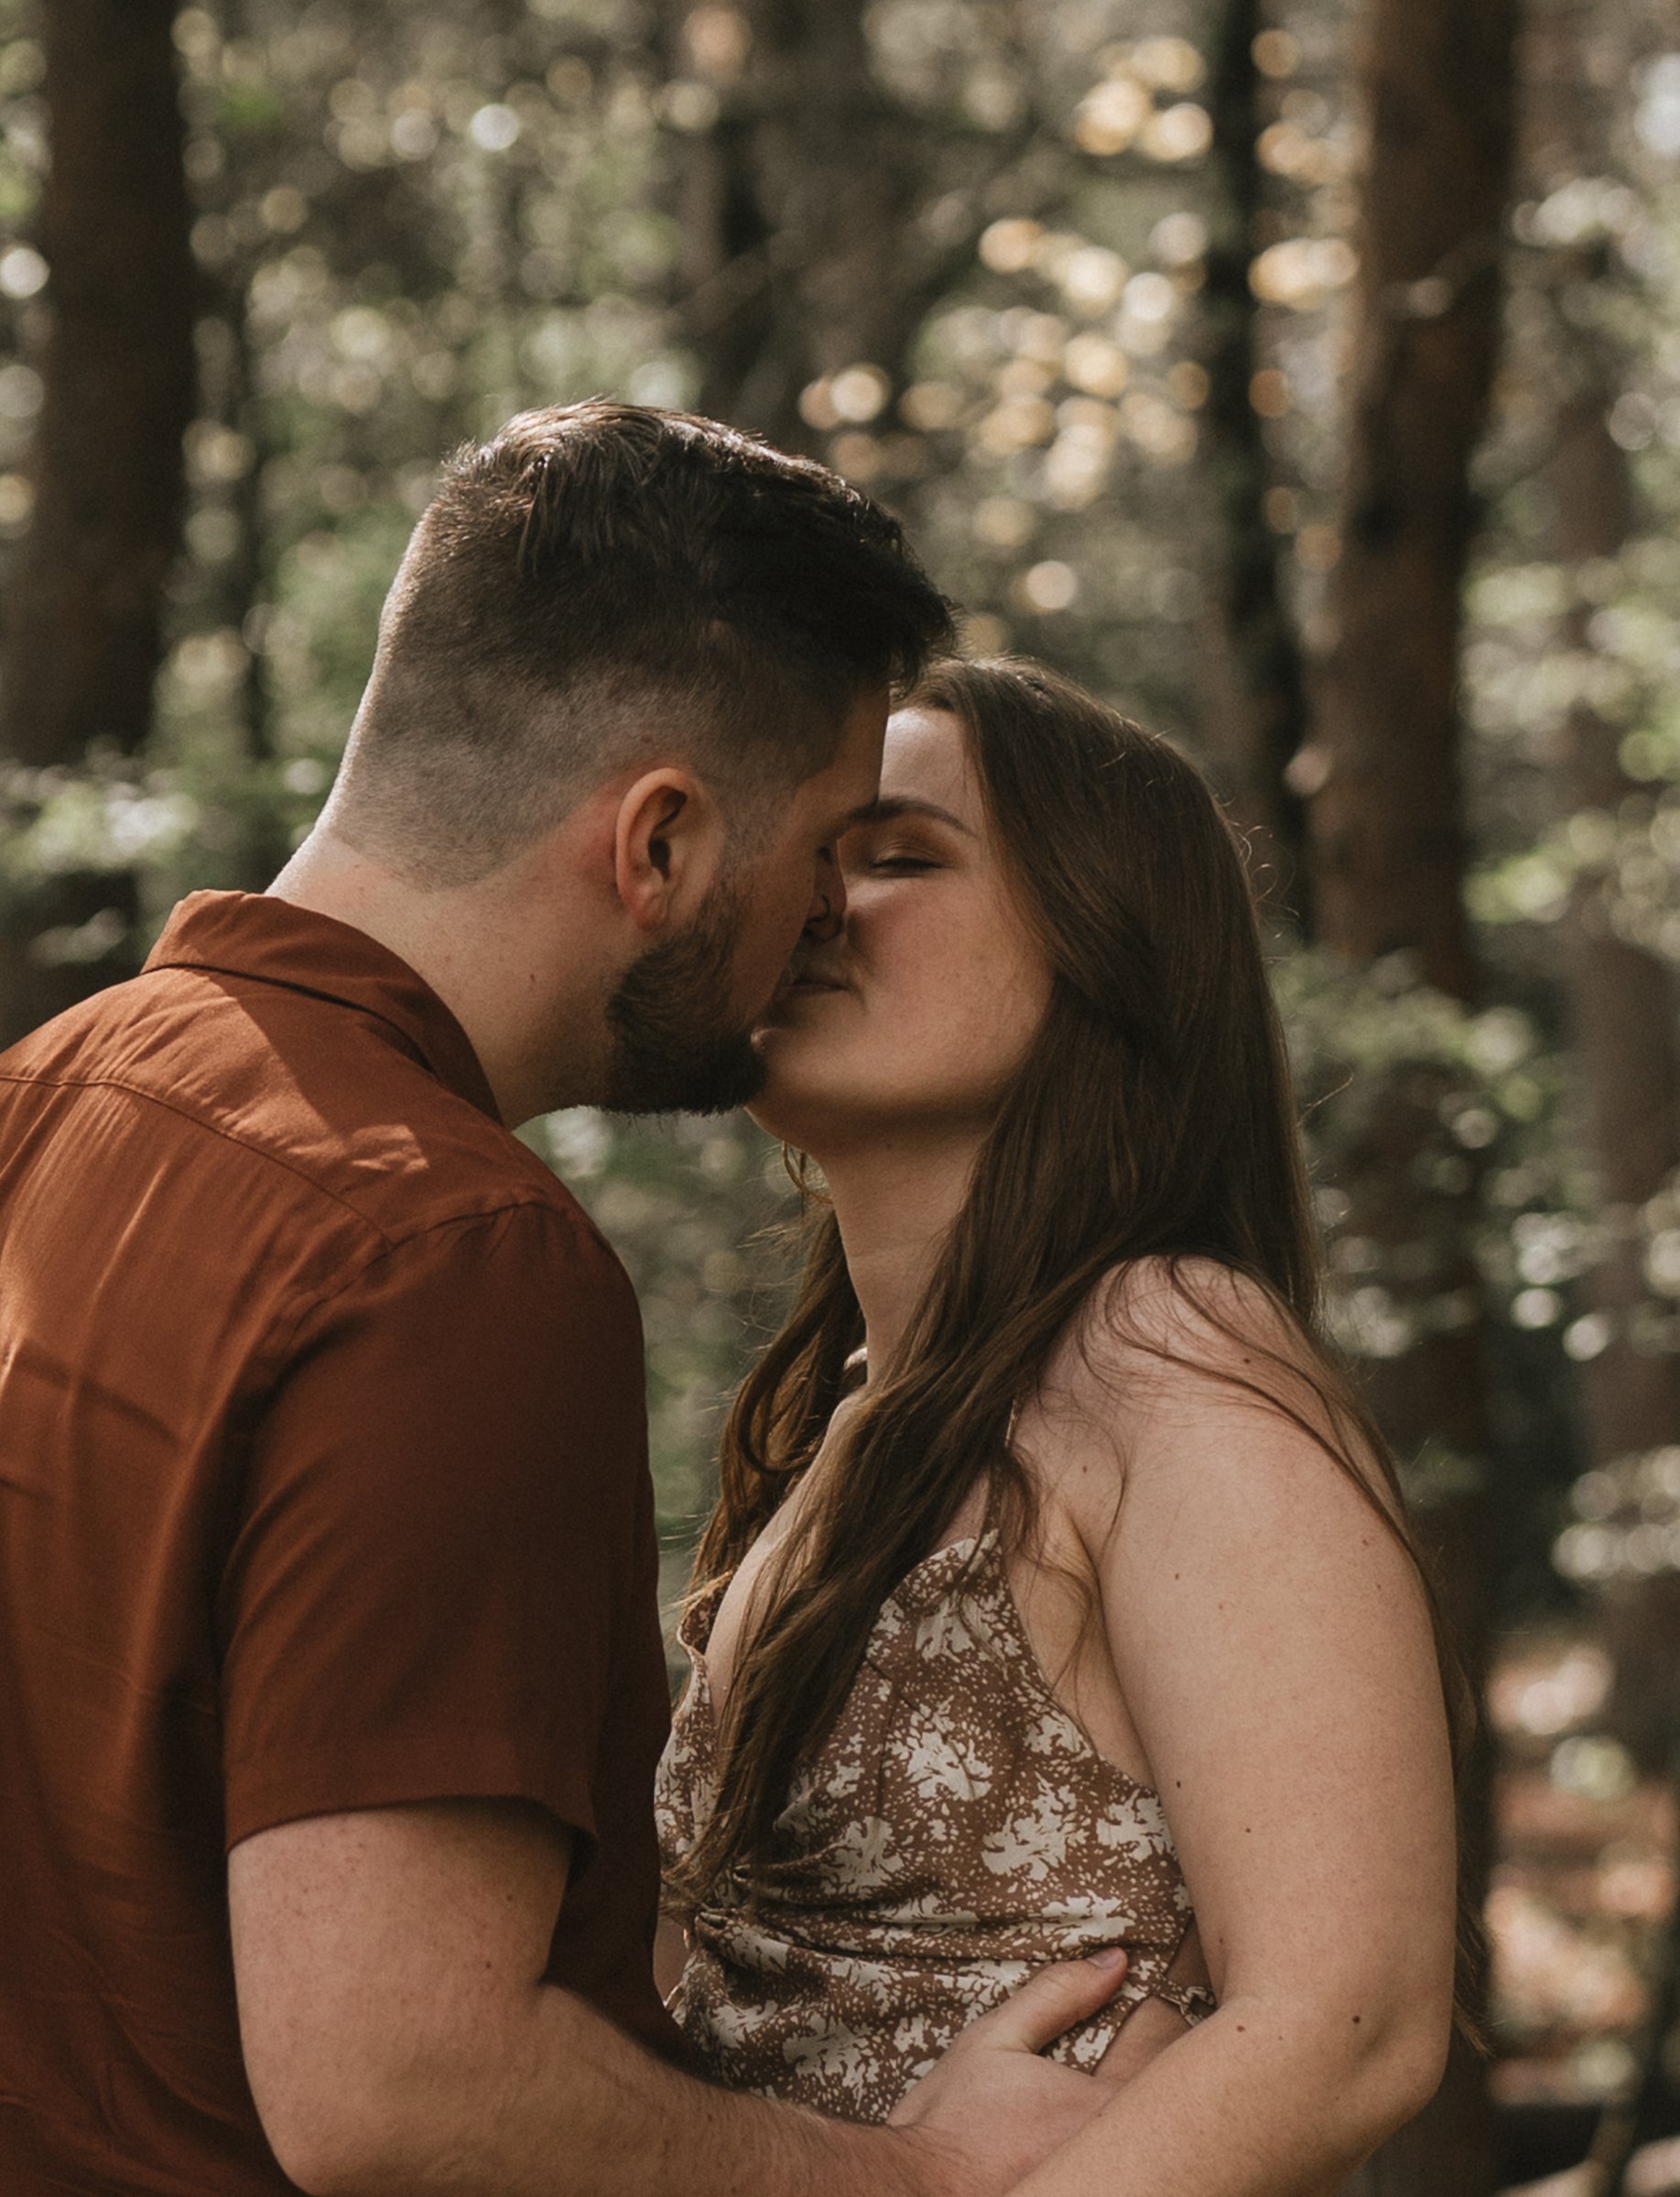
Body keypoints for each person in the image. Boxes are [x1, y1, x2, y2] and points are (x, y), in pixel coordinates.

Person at [0, 409, 1136, 2197]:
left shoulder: (51, 1097)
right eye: (833, 843)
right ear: (662, 845)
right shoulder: (452, 1260)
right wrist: (912, 2182)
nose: (833, 916)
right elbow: (403, 2084)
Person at [657, 656, 1463, 2192]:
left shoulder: (1164, 1348)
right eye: (812, 853)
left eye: (897, 855)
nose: (817, 901)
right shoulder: (851, 1433)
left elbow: (1350, 2021)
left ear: (1112, 950)